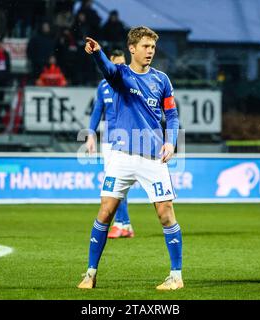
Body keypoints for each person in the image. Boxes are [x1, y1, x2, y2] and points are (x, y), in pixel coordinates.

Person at [78, 26, 182, 290]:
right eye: (146, 47)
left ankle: (176, 276)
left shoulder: (162, 80)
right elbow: (107, 69)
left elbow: (171, 115)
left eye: (153, 47)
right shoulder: (120, 76)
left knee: (166, 214)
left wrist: (170, 142)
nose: (150, 52)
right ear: (132, 49)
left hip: (152, 158)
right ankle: (90, 274)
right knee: (105, 212)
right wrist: (97, 53)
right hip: (122, 156)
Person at [86, 49, 134, 239]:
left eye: (124, 63)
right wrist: (90, 134)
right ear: (110, 65)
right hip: (108, 141)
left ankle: (124, 224)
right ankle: (124, 225)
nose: (121, 67)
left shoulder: (130, 82)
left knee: (115, 182)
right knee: (115, 183)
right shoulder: (103, 86)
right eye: (117, 64)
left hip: (128, 139)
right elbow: (98, 110)